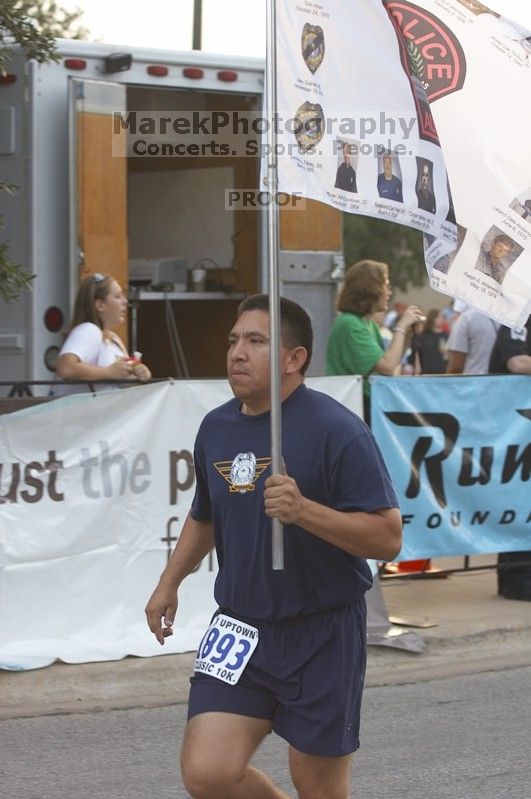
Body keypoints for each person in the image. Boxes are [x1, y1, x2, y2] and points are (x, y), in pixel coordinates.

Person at [145, 293, 402, 799]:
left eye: (256, 341)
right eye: (234, 340)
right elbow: (205, 516)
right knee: (209, 773)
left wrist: (304, 511)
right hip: (240, 626)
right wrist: (168, 583)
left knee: (319, 789)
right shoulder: (216, 427)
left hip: (322, 632)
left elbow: (388, 537)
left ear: (294, 358)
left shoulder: (338, 430)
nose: (237, 352)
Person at [325, 259, 424, 423]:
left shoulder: (367, 324)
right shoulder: (350, 324)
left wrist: (407, 335)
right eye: (386, 286)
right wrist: (400, 327)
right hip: (352, 409)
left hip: (360, 406)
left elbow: (389, 364)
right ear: (371, 289)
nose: (389, 292)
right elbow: (387, 366)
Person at [489, 313, 531, 601]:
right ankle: (516, 579)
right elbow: (517, 363)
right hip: (511, 429)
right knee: (517, 499)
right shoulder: (518, 315)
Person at [53, 272, 151, 393]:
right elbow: (65, 368)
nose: (125, 301)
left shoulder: (114, 339)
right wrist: (109, 372)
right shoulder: (89, 330)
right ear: (100, 305)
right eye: (118, 296)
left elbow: (117, 382)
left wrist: (138, 374)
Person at [446, 307, 500, 374]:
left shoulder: (467, 318)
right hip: (504, 380)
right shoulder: (510, 320)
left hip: (472, 379)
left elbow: (456, 366)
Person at [409, 308, 448, 374]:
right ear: (432, 318)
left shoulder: (445, 336)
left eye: (442, 317)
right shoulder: (423, 336)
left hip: (442, 371)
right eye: (438, 317)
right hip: (426, 371)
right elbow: (416, 354)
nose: (441, 319)